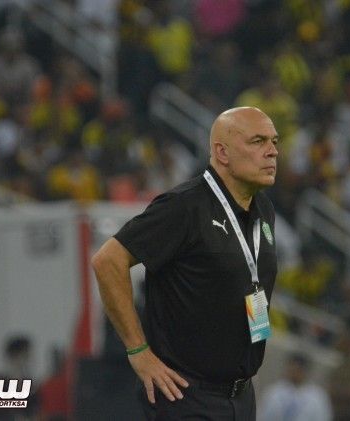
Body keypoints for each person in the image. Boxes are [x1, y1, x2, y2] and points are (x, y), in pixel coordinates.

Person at [92, 106, 279, 420]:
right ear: (222, 152)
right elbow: (108, 260)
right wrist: (138, 351)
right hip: (185, 397)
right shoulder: (184, 206)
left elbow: (250, 283)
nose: (272, 151)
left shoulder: (263, 208)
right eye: (258, 141)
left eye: (274, 141)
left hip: (241, 397)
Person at [258, 353, 332, 421]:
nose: (294, 373)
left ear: (305, 371)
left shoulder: (317, 396)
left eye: (297, 370)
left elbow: (323, 417)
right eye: (291, 369)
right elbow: (262, 415)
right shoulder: (274, 391)